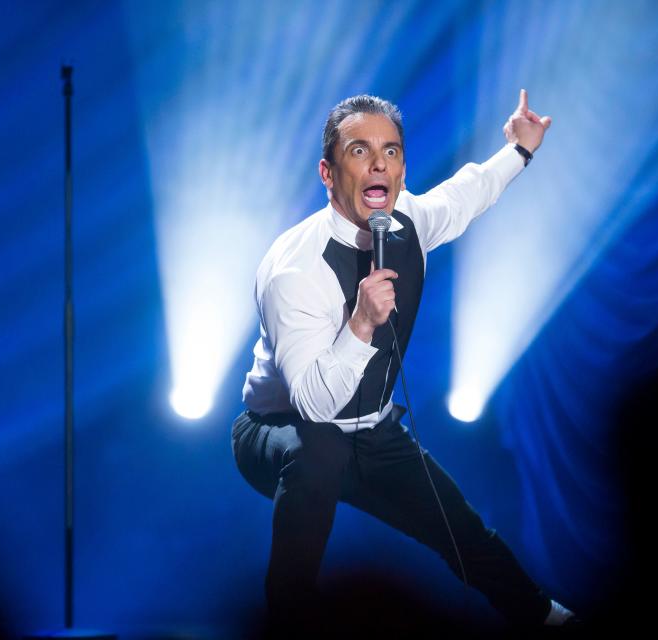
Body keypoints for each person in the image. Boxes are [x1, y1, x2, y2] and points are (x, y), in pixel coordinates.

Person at [232, 90, 575, 630]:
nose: (378, 165)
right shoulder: (294, 269)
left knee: (461, 530)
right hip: (279, 432)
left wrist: (519, 150)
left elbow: (466, 195)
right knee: (320, 448)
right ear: (328, 171)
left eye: (391, 152)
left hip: (371, 433)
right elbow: (314, 407)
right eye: (359, 151)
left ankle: (547, 618)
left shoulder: (406, 221)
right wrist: (361, 324)